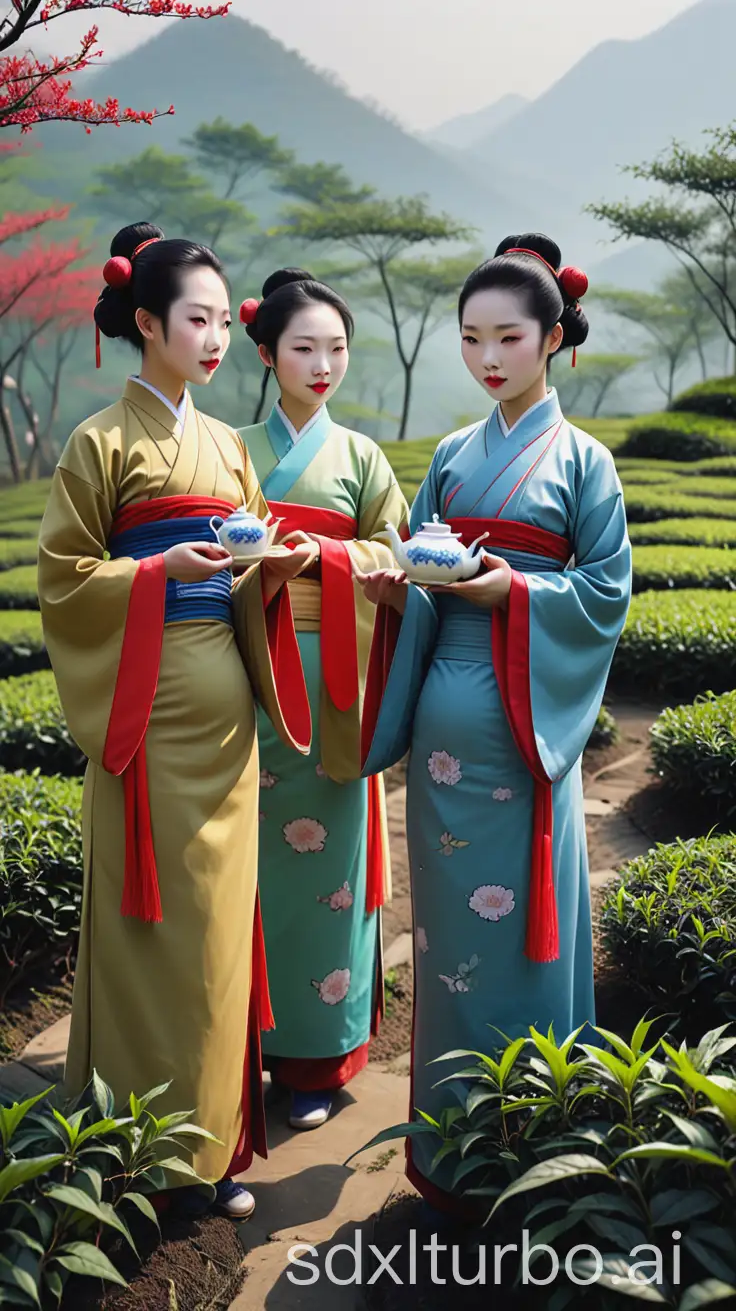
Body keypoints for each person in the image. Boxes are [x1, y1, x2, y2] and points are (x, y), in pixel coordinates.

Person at [37, 223, 315, 1220]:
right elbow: (65, 582)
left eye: (219, 320)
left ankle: (211, 1145)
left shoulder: (226, 447)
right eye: (194, 318)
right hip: (143, 717)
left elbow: (245, 569)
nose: (213, 337)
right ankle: (136, 1148)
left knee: (214, 934)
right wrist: (159, 569)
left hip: (225, 720)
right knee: (151, 928)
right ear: (146, 323)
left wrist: (265, 572)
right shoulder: (98, 442)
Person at [356, 234, 632, 1213]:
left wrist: (506, 582)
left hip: (527, 728)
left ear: (552, 338)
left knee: (523, 930)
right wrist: (404, 585)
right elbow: (425, 570)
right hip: (444, 728)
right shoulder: (449, 455)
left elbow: (603, 594)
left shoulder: (585, 462)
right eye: (470, 338)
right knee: (444, 943)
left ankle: (531, 1143)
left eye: (508, 336)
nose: (487, 357)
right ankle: (452, 1148)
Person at [237, 269, 409, 1131]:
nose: (322, 363)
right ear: (265, 353)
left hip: (336, 677)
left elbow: (393, 550)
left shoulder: (363, 457)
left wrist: (325, 560)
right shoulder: (230, 447)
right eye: (303, 347)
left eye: (337, 348)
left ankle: (316, 1060)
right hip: (249, 675)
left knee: (331, 870)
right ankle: (240, 1052)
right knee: (247, 872)